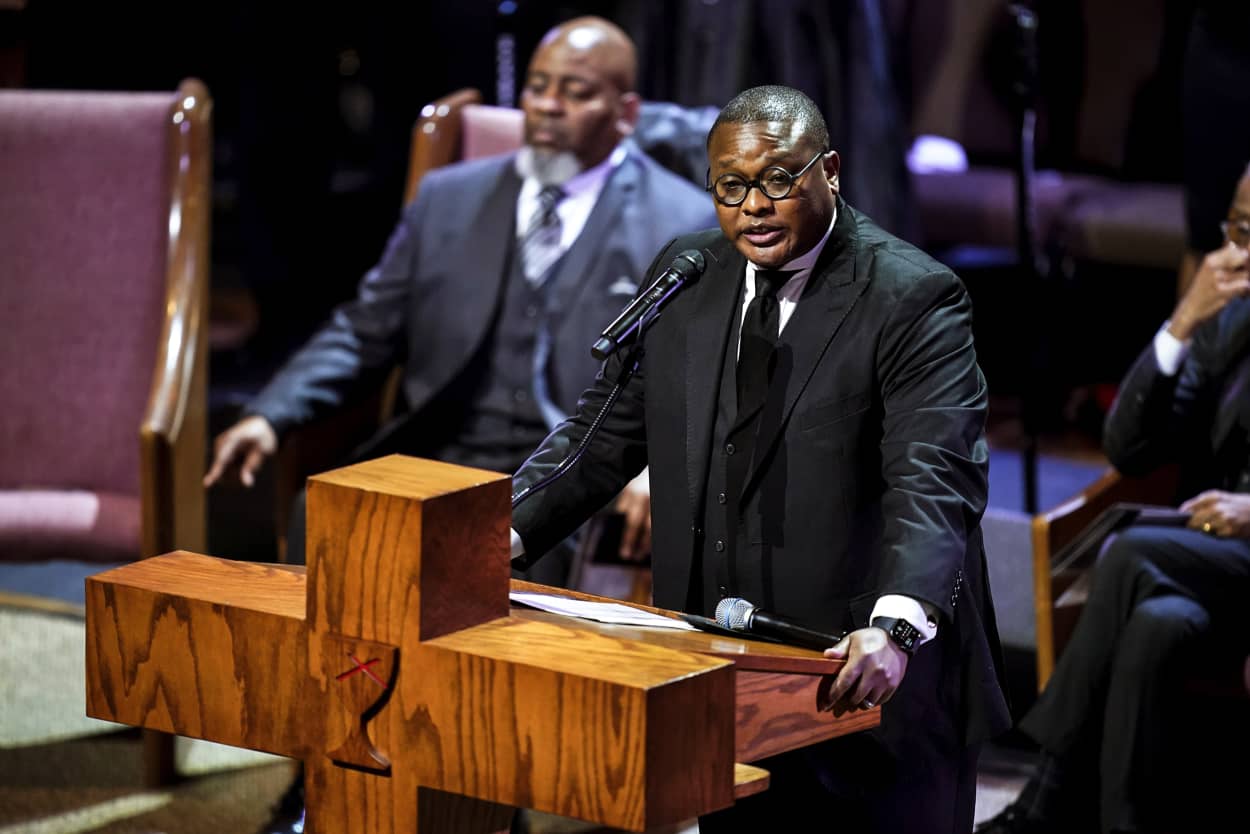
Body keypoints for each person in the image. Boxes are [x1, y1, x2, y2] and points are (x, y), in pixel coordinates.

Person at [511, 84, 1010, 834]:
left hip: (865, 681)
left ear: (830, 170)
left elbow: (934, 477)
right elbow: (602, 433)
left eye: (779, 180)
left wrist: (897, 626)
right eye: (731, 186)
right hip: (724, 673)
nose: (754, 205)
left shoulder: (913, 298)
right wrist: (498, 535)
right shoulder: (687, 275)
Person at [204, 16, 716, 584]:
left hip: (567, 483)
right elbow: (363, 330)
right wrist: (272, 414)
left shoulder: (682, 222)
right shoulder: (448, 198)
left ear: (624, 114)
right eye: (538, 86)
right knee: (326, 514)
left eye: (575, 92)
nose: (548, 105)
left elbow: (696, 376)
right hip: (439, 459)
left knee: (537, 559)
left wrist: (656, 467)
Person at [977, 167, 1250, 834]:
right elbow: (1129, 448)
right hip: (1216, 564)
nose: (1237, 254)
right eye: (1237, 231)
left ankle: (1044, 792)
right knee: (1158, 623)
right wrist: (1184, 321)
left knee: (1129, 553)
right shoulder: (1233, 316)